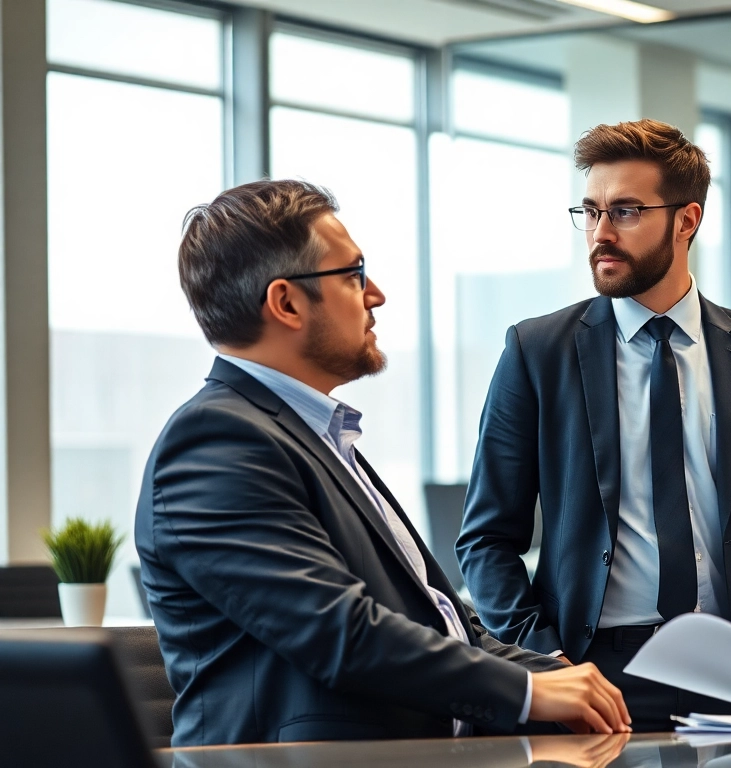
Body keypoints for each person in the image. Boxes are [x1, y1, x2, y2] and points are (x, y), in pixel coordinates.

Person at [136, 180, 630, 746]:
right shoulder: (216, 443)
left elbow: (447, 625)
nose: (377, 295)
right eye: (354, 274)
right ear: (286, 303)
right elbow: (336, 631)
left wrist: (557, 677)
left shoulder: (314, 437)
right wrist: (526, 691)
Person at [457, 119, 731, 731]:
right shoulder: (537, 352)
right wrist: (544, 660)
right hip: (589, 672)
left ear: (687, 220)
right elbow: (485, 539)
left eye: (626, 212)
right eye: (590, 212)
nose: (600, 233)